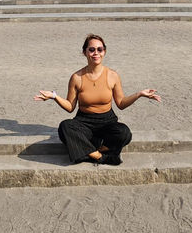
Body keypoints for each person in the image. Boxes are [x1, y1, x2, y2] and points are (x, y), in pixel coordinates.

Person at [34, 33, 161, 165]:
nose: (96, 53)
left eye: (100, 49)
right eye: (91, 49)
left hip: (107, 121)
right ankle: (101, 157)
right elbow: (70, 107)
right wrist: (54, 97)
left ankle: (88, 152)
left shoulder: (112, 76)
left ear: (104, 52)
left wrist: (139, 94)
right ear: (85, 52)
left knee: (124, 133)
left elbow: (121, 103)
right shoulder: (76, 77)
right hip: (84, 122)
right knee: (65, 127)